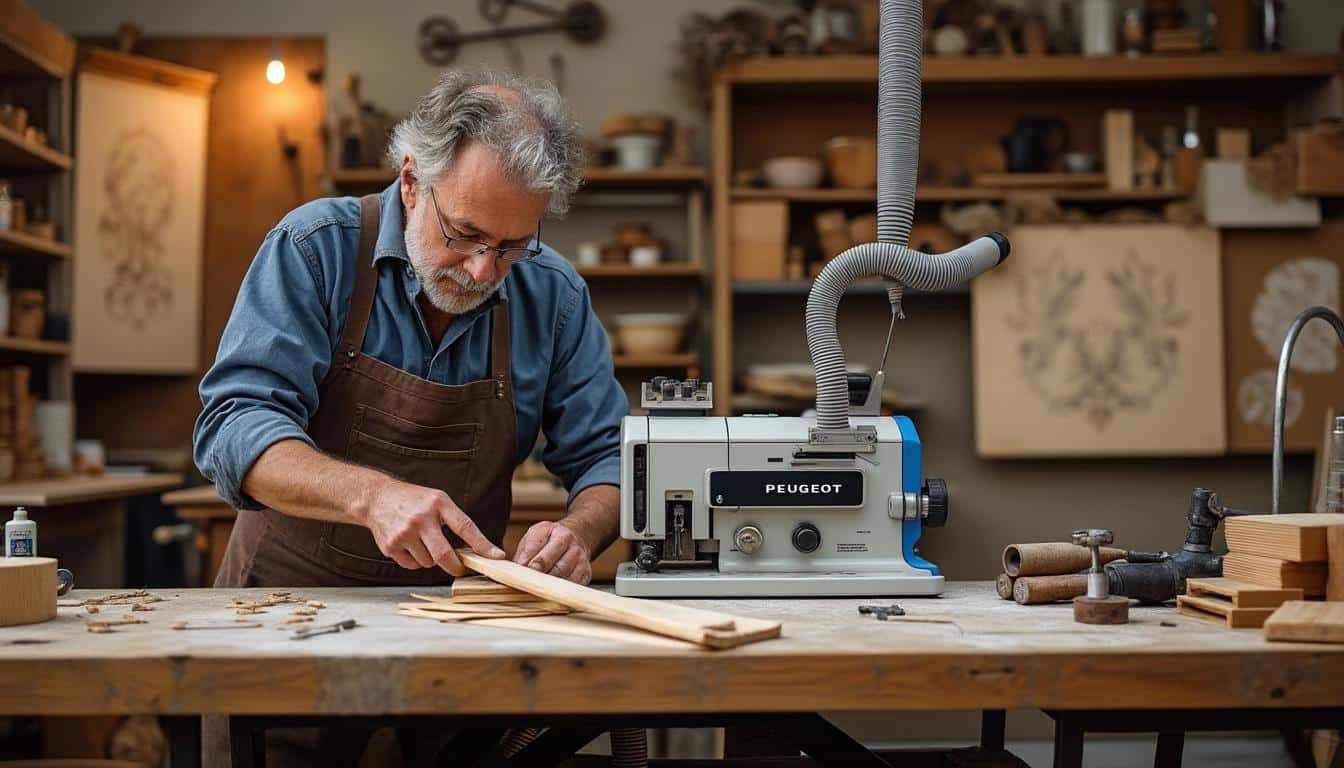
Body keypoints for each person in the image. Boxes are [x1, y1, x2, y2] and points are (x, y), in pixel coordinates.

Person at [193, 67, 627, 767]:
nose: (485, 271)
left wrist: (581, 531)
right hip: (289, 627)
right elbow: (235, 426)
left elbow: (610, 459)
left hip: (457, 641)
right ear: (410, 181)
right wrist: (372, 495)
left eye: (513, 246)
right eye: (466, 234)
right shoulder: (317, 249)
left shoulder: (554, 297)